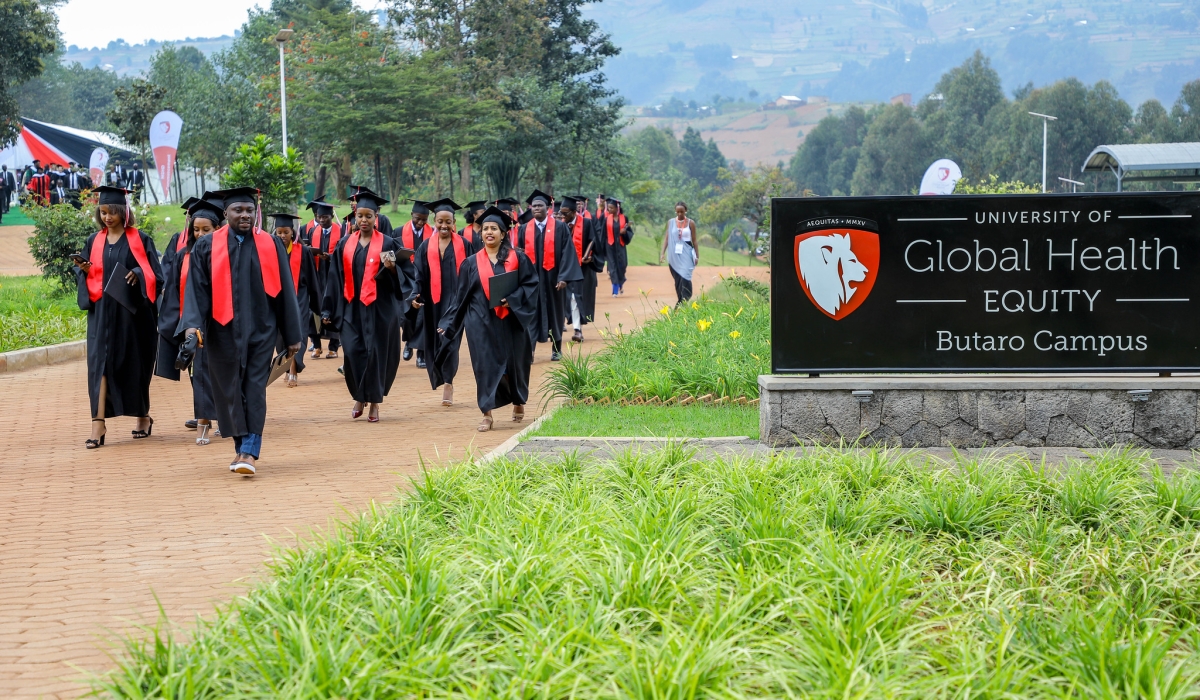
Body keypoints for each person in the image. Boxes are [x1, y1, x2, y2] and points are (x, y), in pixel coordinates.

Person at [178, 186, 304, 476]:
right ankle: (239, 447)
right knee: (228, 391)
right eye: (238, 210)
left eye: (249, 210)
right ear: (226, 214)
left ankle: (250, 448)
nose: (245, 215)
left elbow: (286, 291)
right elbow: (196, 292)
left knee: (253, 389)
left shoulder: (270, 244)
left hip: (261, 329)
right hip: (221, 331)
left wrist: (292, 335)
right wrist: (192, 328)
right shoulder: (207, 246)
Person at [75, 186, 163, 448]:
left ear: (123, 212)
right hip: (101, 315)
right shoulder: (94, 241)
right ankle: (97, 424)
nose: (107, 217)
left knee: (134, 366)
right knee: (99, 367)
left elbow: (156, 275)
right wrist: (84, 270)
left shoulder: (140, 239)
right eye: (102, 212)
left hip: (133, 316)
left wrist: (138, 271)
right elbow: (87, 277)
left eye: (111, 212)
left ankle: (142, 417)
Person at [437, 205, 538, 432]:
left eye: (494, 228)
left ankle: (518, 400)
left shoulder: (518, 259)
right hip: (480, 323)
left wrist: (513, 299)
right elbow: (460, 297)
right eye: (485, 229)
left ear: (503, 233)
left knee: (516, 364)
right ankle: (487, 413)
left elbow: (531, 286)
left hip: (511, 321)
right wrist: (448, 323)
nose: (488, 232)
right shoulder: (471, 263)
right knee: (484, 367)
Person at [322, 188, 409, 423]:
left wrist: (392, 268)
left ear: (376, 217)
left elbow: (405, 277)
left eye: (368, 216)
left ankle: (374, 403)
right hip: (352, 308)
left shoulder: (389, 243)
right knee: (352, 353)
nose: (363, 220)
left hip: (380, 309)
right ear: (354, 217)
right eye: (360, 215)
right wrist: (328, 308)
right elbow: (334, 278)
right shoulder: (344, 244)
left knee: (376, 355)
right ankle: (359, 396)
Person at [156, 194, 222, 445]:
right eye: (196, 229)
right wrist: (177, 322)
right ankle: (204, 419)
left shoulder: (227, 254)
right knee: (199, 370)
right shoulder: (184, 254)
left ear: (218, 228)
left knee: (219, 370)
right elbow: (172, 289)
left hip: (221, 320)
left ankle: (221, 415)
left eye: (206, 229)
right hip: (193, 320)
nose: (200, 234)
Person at [411, 198, 473, 406]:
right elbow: (418, 274)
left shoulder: (464, 245)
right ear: (434, 222)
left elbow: (473, 273)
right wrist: (415, 295)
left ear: (454, 222)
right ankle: (441, 376)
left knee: (451, 341)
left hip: (457, 303)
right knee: (435, 343)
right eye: (440, 221)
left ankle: (448, 382)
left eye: (448, 221)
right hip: (433, 302)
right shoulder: (426, 246)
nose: (444, 226)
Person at [512, 189, 582, 361]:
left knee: (555, 313)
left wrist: (564, 277)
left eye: (540, 205)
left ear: (548, 207)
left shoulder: (560, 228)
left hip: (553, 280)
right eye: (534, 206)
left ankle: (557, 349)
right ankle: (531, 351)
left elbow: (567, 253)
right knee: (531, 314)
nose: (536, 208)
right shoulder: (524, 229)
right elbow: (518, 255)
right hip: (532, 281)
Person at [273, 213, 321, 387]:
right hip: (278, 299)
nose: (283, 236)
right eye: (279, 232)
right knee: (281, 336)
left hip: (298, 298)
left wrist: (316, 304)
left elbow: (312, 280)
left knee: (298, 332)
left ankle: (293, 369)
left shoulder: (303, 252)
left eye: (286, 232)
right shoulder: (271, 251)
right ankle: (288, 367)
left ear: (292, 232)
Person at [300, 198, 342, 359]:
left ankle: (333, 347)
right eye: (319, 217)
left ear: (331, 216)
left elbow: (344, 253)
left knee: (332, 310)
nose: (322, 220)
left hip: (333, 277)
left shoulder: (341, 231)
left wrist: (330, 257)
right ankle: (316, 345)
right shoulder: (312, 231)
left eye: (325, 217)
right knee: (314, 312)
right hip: (317, 276)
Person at [559, 196, 604, 342]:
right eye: (561, 213)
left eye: (565, 213)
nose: (563, 216)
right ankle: (570, 328)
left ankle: (578, 329)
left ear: (573, 212)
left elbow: (596, 244)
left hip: (583, 269)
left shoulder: (586, 223)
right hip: (566, 269)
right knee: (568, 298)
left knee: (577, 298)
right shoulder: (560, 226)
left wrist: (591, 258)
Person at [397, 200, 432, 366]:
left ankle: (421, 354)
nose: (420, 223)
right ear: (412, 215)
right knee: (408, 315)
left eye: (424, 219)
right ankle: (409, 343)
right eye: (418, 218)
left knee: (424, 317)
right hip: (405, 280)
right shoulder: (397, 232)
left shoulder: (433, 234)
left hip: (425, 280)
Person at [660, 201, 698, 305]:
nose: (680, 214)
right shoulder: (671, 222)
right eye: (678, 212)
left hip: (686, 252)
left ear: (686, 211)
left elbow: (694, 240)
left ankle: (684, 299)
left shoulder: (691, 223)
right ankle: (681, 300)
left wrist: (697, 255)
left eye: (682, 211)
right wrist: (662, 253)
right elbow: (667, 238)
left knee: (684, 276)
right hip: (674, 253)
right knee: (677, 279)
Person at [597, 196, 633, 296]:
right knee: (612, 268)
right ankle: (615, 289)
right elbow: (603, 234)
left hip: (620, 246)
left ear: (617, 208)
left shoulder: (624, 218)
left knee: (622, 266)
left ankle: (621, 282)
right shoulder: (606, 218)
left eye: (611, 208)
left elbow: (630, 233)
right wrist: (601, 247)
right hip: (610, 246)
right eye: (608, 208)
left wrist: (624, 232)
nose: (609, 209)